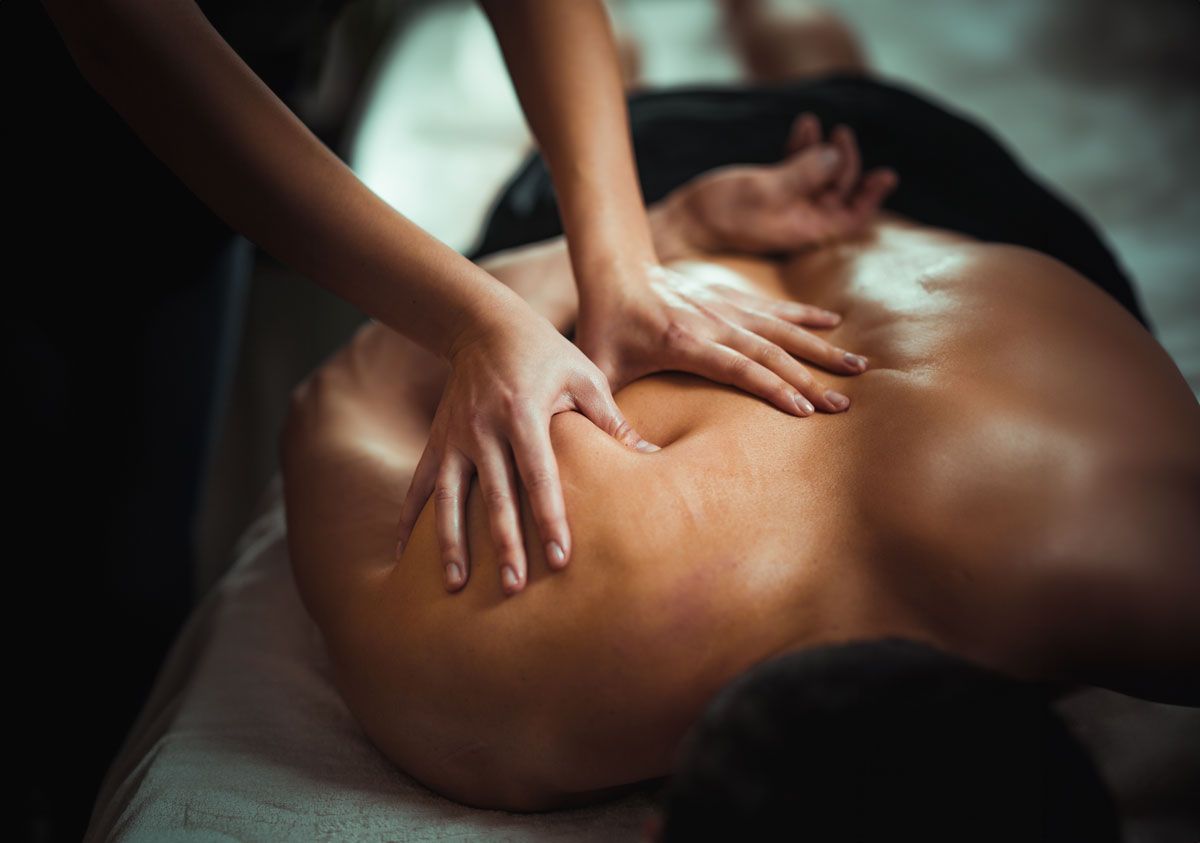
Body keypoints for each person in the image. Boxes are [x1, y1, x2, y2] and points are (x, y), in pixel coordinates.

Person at [279, 4, 1200, 836]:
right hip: (876, 225)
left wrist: (676, 227)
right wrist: (658, 238)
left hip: (910, 210)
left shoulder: (1151, 566)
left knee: (814, 99)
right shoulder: (492, 695)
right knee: (782, 118)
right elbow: (340, 399)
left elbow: (340, 395)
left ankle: (756, 32)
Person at [9, 0, 870, 836]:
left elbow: (335, 400)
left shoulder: (487, 678)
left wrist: (637, 246)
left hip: (807, 201)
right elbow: (119, 35)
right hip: (829, 195)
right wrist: (563, 281)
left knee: (117, 574)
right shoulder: (1003, 598)